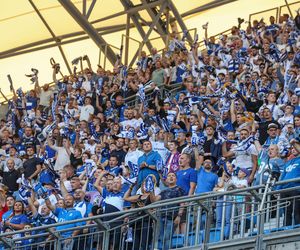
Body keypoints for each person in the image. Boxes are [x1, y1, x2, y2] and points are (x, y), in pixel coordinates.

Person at [150, 172, 185, 250]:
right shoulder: (163, 192)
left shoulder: (179, 189)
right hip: (161, 217)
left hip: (172, 217)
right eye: (169, 176)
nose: (171, 177)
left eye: (173, 176)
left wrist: (179, 216)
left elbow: (182, 203)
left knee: (167, 237)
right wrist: (151, 189)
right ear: (166, 180)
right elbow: (154, 200)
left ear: (176, 179)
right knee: (162, 238)